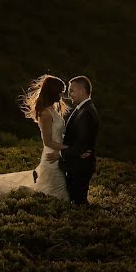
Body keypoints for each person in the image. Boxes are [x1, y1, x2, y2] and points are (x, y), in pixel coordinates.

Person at [47, 75, 100, 206]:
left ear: (82, 91)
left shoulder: (87, 112)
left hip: (80, 166)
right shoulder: (82, 109)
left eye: (72, 91)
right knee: (75, 201)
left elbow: (81, 145)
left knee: (79, 202)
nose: (69, 95)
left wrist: (59, 154)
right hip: (75, 163)